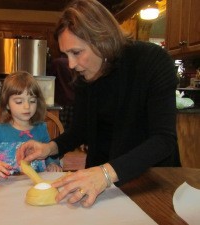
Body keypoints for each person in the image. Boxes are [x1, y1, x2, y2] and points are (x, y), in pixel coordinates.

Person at [17, 0, 180, 207]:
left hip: (152, 181)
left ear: (102, 39)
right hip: (104, 183)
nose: (71, 65)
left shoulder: (153, 61)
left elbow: (163, 141)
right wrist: (48, 148)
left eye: (76, 52)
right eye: (66, 55)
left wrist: (105, 173)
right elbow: (79, 130)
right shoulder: (85, 76)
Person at [0, 71, 62, 181]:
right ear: (7, 105)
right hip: (5, 187)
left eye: (32, 101)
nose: (27, 106)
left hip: (34, 185)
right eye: (19, 102)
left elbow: (50, 155)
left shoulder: (41, 129)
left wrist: (52, 164)